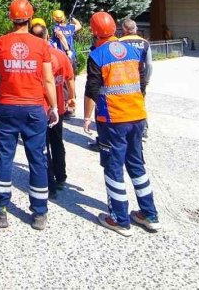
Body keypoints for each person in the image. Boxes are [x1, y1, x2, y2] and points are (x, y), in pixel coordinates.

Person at [83, 12, 160, 236]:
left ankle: (119, 219)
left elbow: (92, 89)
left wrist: (87, 117)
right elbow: (142, 81)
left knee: (113, 167)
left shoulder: (97, 55)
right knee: (136, 164)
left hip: (113, 119)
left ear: (94, 31)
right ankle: (149, 214)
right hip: (137, 115)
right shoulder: (132, 50)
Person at [0, 0, 58, 231]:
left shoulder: (0, 43)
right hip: (34, 109)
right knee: (37, 159)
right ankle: (39, 213)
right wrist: (54, 107)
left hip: (7, 107)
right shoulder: (42, 45)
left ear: (11, 18)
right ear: (30, 17)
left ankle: (0, 209)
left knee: (4, 156)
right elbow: (48, 80)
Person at [30, 18, 74, 197]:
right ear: (47, 35)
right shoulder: (60, 55)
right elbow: (70, 79)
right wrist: (72, 98)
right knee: (57, 142)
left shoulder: (33, 57)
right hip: (59, 108)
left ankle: (50, 184)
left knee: (42, 146)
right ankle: (61, 176)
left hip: (40, 108)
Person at [120, 19, 153, 140]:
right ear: (136, 28)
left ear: (124, 30)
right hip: (140, 77)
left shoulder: (119, 42)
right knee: (140, 102)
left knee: (124, 103)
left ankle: (125, 127)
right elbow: (149, 64)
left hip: (124, 78)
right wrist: (147, 79)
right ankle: (143, 129)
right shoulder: (145, 43)